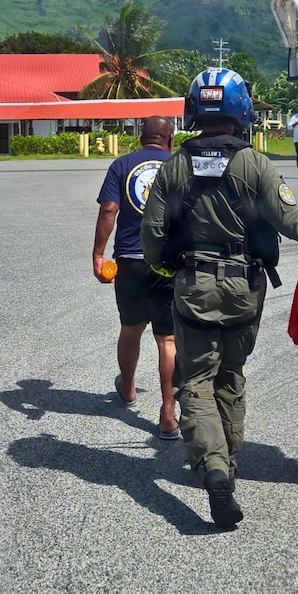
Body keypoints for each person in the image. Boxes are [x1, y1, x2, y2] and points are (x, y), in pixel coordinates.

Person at [140, 69, 298, 529]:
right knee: (230, 374)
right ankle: (227, 465)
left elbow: (152, 237)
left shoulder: (174, 166)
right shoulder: (256, 164)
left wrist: (168, 270)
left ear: (195, 108)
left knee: (194, 380)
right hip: (244, 287)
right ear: (241, 110)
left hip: (192, 285)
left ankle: (214, 467)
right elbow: (295, 225)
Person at [93, 115, 179, 439]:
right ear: (170, 140)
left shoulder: (122, 164)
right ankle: (168, 414)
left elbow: (108, 210)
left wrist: (99, 255)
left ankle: (127, 387)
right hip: (169, 263)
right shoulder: (181, 166)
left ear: (141, 138)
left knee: (131, 330)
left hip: (129, 261)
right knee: (167, 340)